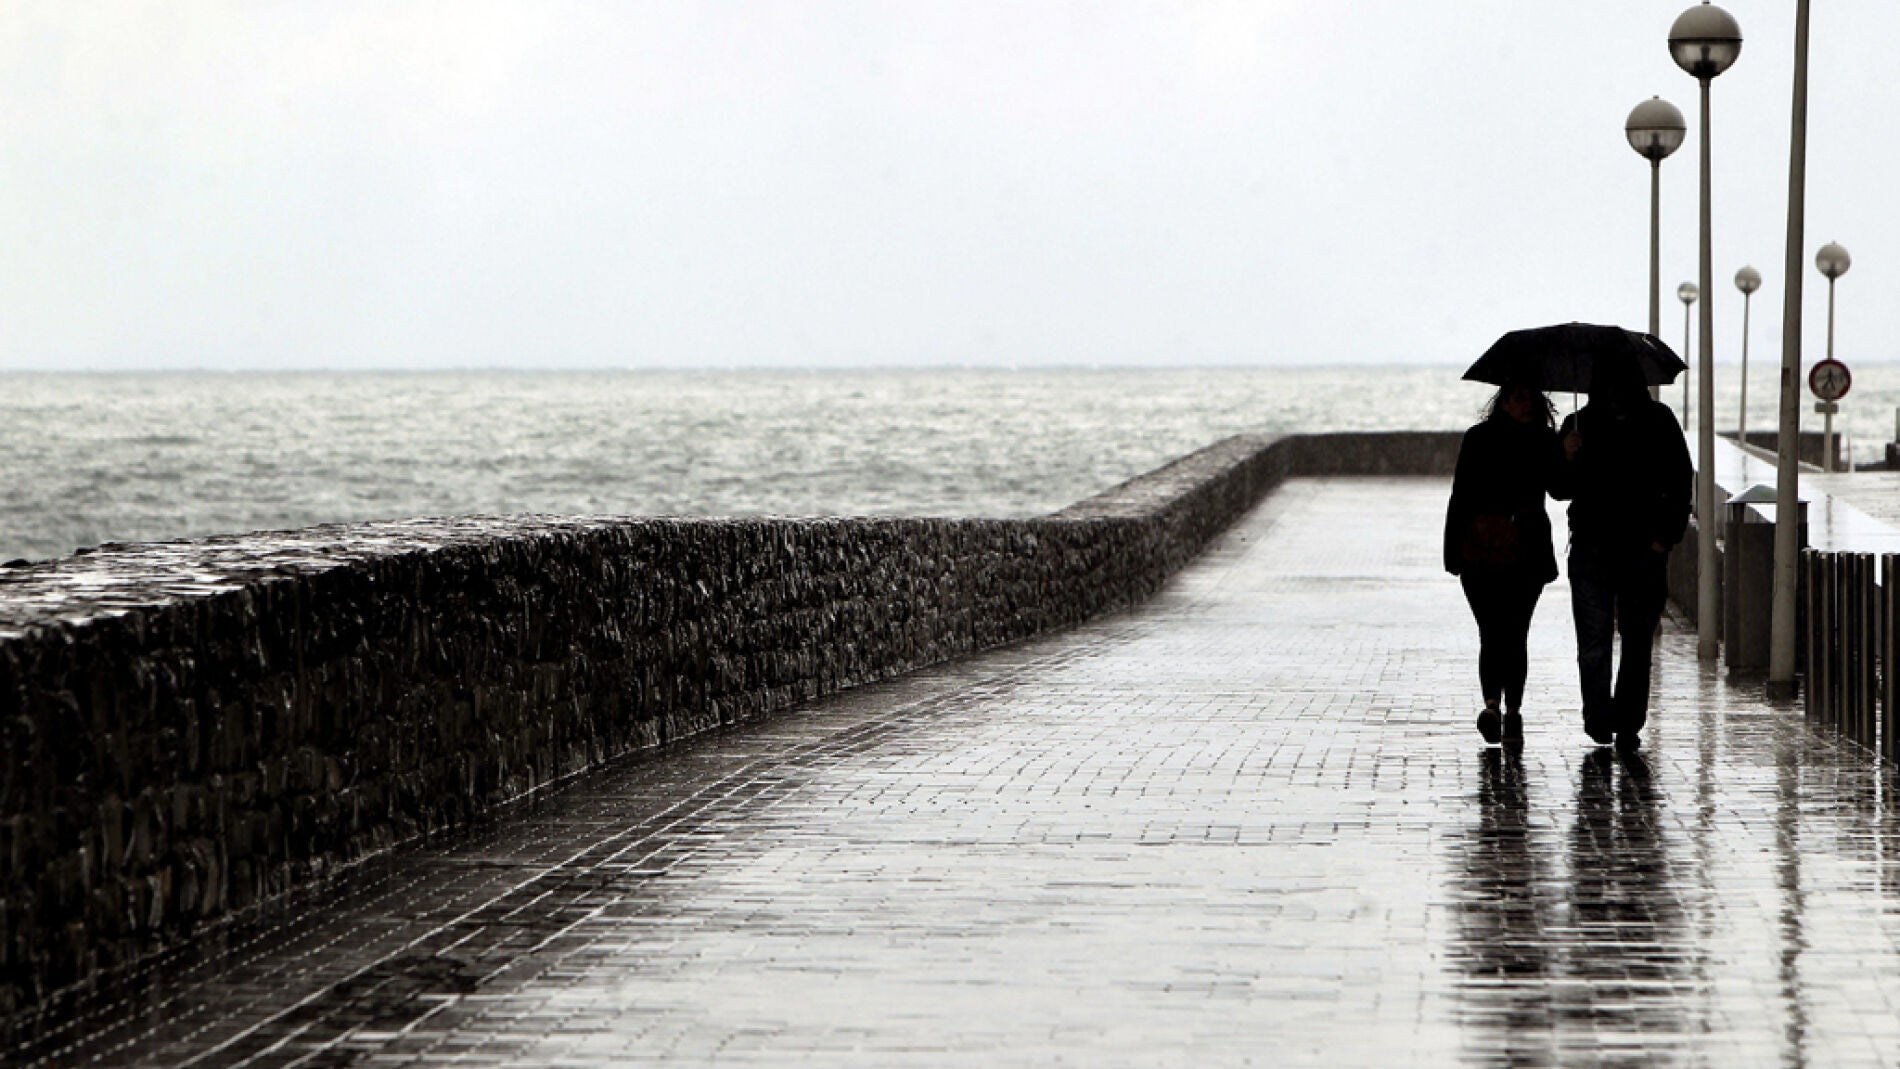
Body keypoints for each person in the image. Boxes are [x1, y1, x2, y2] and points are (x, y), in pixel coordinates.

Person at [1549, 354, 1692, 752]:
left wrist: (1664, 538)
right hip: (1592, 548)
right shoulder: (1579, 425)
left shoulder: (1659, 421)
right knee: (1593, 638)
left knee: (1636, 637)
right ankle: (1598, 715)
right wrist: (1568, 456)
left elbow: (1681, 480)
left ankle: (1628, 719)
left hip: (1643, 550)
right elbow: (1559, 488)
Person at [1444, 379, 1560, 746]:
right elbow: (1460, 496)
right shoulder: (1479, 439)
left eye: (1530, 397)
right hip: (1481, 550)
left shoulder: (1544, 441)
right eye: (1518, 397)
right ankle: (1497, 707)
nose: (1525, 404)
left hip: (1524, 553)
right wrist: (1452, 550)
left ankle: (1509, 709)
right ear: (1504, 402)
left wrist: (1569, 453)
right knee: (1494, 631)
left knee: (1513, 631)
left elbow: (1561, 488)